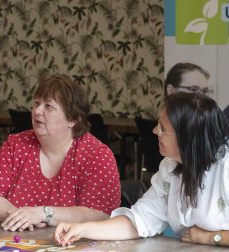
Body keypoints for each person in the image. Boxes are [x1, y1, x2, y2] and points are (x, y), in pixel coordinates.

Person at [54, 92, 229, 247]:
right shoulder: (170, 167)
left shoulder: (225, 169)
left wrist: (212, 237)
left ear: (186, 138)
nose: (154, 131)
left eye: (162, 128)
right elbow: (139, 220)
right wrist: (82, 229)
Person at [0, 74, 121, 232]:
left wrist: (43, 214)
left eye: (49, 107)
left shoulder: (97, 155)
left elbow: (100, 213)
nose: (37, 111)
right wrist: (19, 216)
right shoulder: (15, 144)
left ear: (72, 119)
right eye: (37, 103)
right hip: (16, 241)